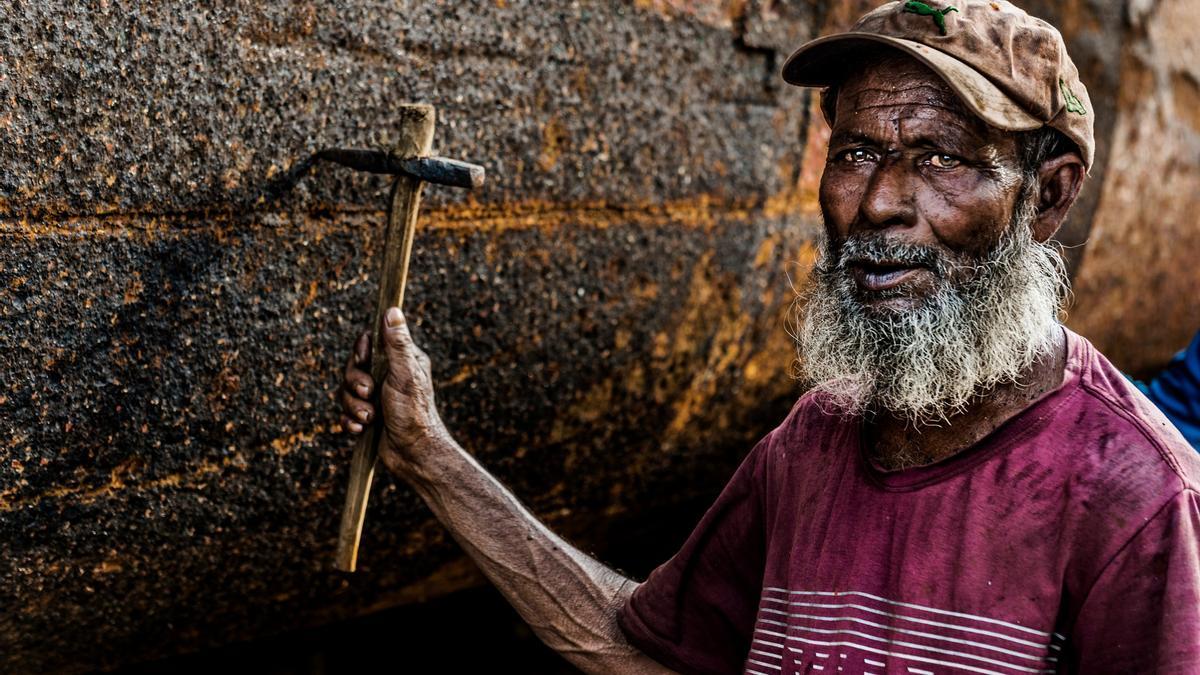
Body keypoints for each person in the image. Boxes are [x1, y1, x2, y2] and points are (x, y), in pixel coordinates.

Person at [339, 1, 1200, 672]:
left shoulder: (1142, 499)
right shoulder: (814, 442)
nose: (878, 203)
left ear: (1047, 197)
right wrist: (429, 455)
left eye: (942, 159)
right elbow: (650, 649)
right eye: (857, 150)